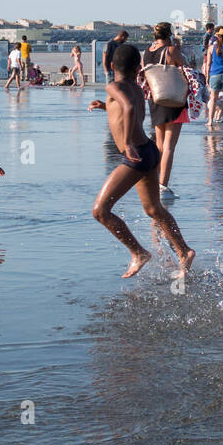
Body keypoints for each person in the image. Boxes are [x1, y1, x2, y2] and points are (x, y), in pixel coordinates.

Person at [88, 43, 195, 278]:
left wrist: (126, 143)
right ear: (138, 69)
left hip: (135, 154)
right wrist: (105, 106)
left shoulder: (113, 85)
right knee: (153, 209)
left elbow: (126, 108)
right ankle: (183, 251)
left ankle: (138, 253)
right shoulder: (136, 88)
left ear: (112, 65)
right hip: (149, 151)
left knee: (100, 211)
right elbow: (131, 108)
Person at [143, 21, 189, 200]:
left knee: (160, 145)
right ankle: (163, 185)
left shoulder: (147, 52)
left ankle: (154, 182)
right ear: (169, 34)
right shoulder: (170, 51)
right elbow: (186, 66)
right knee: (169, 147)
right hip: (174, 99)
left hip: (155, 99)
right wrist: (177, 48)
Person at [203, 26, 223, 131]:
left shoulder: (211, 48)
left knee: (213, 98)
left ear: (217, 36)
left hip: (214, 74)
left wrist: (207, 77)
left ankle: (210, 121)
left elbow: (208, 64)